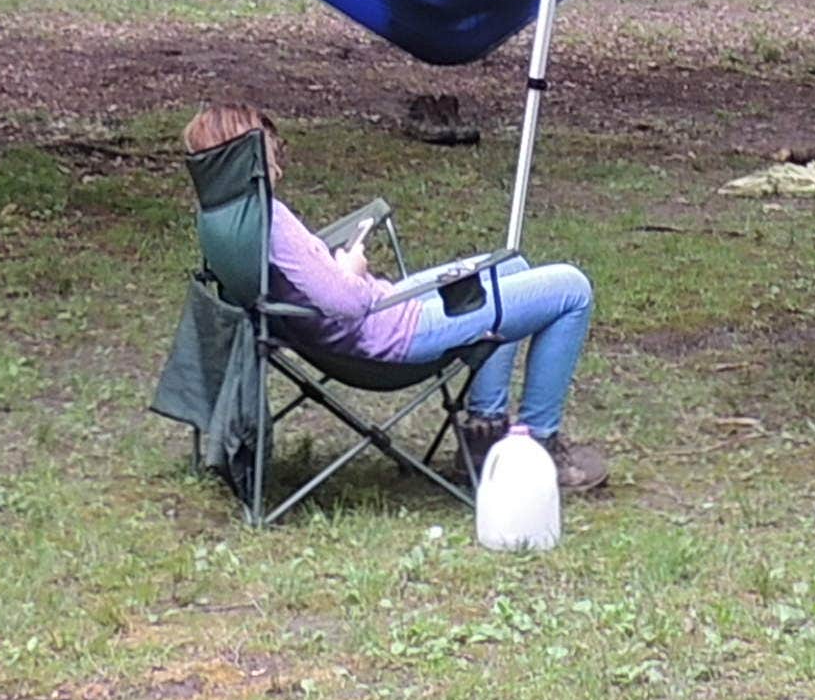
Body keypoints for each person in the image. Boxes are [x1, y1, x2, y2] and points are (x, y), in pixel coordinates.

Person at [188, 103, 606, 492]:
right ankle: (538, 444)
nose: (276, 154)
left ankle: (485, 432)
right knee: (573, 288)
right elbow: (346, 302)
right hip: (389, 333)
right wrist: (350, 269)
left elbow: (314, 290)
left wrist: (335, 269)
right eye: (268, 145)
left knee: (508, 268)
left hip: (379, 314)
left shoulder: (229, 218)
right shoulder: (271, 219)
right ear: (249, 157)